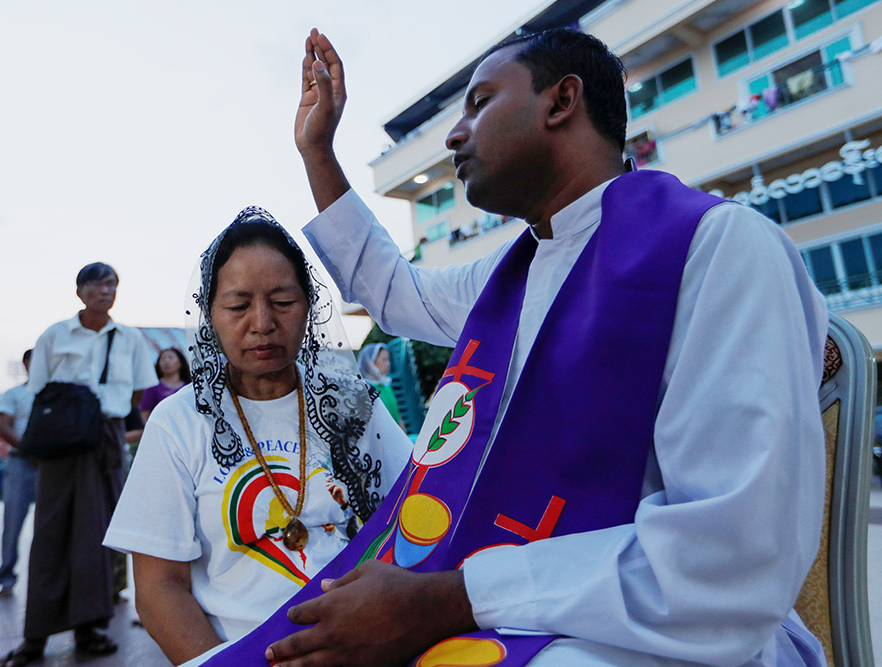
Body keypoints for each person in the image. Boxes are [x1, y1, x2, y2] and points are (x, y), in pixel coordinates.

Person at [213, 28, 829, 666]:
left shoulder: (720, 248)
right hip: (491, 596)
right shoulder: (510, 277)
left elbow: (733, 553)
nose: (455, 134)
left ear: (561, 101)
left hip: (665, 629)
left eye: (479, 103)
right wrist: (318, 151)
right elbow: (395, 292)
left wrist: (449, 600)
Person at [103, 208, 411, 666]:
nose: (263, 322)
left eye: (283, 302)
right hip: (241, 653)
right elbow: (159, 588)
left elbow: (413, 515)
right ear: (210, 314)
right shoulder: (178, 421)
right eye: (238, 305)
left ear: (308, 306)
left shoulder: (355, 403)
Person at [0, 262, 156, 667]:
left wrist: (107, 421)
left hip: (103, 438)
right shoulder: (55, 334)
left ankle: (90, 628)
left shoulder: (130, 338)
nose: (106, 290)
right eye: (98, 284)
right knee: (50, 533)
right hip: (62, 441)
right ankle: (35, 636)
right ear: (80, 291)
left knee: (96, 534)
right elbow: (38, 389)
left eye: (112, 283)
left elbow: (137, 391)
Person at [0, 349, 37, 598]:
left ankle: (45, 576)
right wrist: (28, 448)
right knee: (13, 521)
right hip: (20, 462)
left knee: (48, 523)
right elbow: (3, 428)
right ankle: (6, 576)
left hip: (49, 463)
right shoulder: (14, 394)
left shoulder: (53, 394)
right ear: (26, 364)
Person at [139, 347, 191, 423]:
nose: (166, 361)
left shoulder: (188, 387)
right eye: (163, 359)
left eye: (170, 357)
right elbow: (145, 413)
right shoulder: (152, 387)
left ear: (180, 362)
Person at [357, 343, 401, 426]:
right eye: (384, 360)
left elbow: (397, 416)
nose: (388, 364)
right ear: (370, 362)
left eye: (388, 360)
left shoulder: (386, 386)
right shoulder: (366, 389)